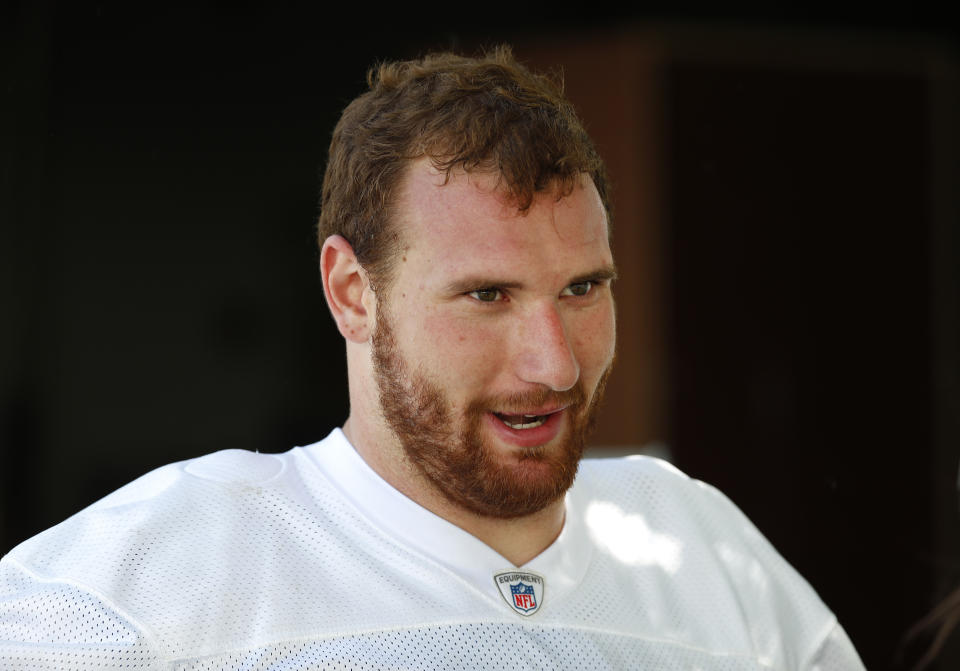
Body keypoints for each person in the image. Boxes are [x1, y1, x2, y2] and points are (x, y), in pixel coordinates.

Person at [0, 47, 865, 670]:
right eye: (487, 295)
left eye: (583, 287)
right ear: (351, 292)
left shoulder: (705, 552)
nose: (555, 364)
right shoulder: (141, 589)